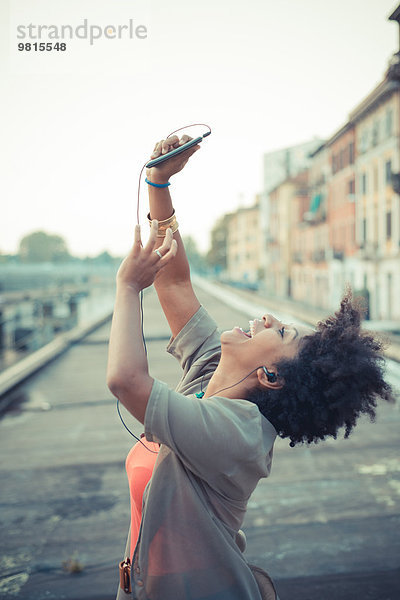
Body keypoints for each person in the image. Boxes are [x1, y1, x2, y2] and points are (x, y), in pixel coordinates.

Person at [107, 135, 393, 600]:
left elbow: (125, 380)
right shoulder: (211, 375)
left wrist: (125, 289)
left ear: (270, 377)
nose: (263, 319)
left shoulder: (233, 432)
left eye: (278, 332)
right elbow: (175, 283)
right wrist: (158, 183)